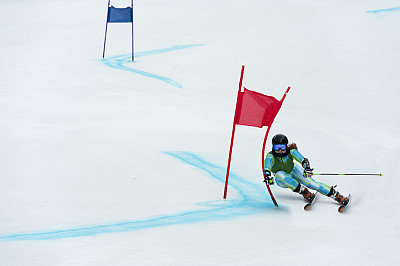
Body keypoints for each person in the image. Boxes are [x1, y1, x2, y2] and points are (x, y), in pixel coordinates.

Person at [263, 134, 349, 205]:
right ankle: (303, 191)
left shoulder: (291, 152)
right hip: (281, 180)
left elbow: (303, 160)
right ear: (273, 147)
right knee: (280, 174)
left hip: (293, 170)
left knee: (313, 184)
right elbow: (267, 166)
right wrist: (267, 176)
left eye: (282, 147)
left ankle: (337, 196)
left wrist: (307, 168)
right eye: (277, 147)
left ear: (286, 146)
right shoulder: (271, 156)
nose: (280, 150)